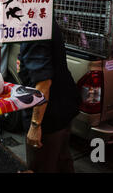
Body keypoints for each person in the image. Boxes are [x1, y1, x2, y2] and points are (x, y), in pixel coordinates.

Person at [17, 19, 81, 173]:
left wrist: (35, 125)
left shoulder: (33, 29)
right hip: (63, 107)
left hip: (49, 115)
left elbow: (43, 83)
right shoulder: (44, 18)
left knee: (44, 165)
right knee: (61, 161)